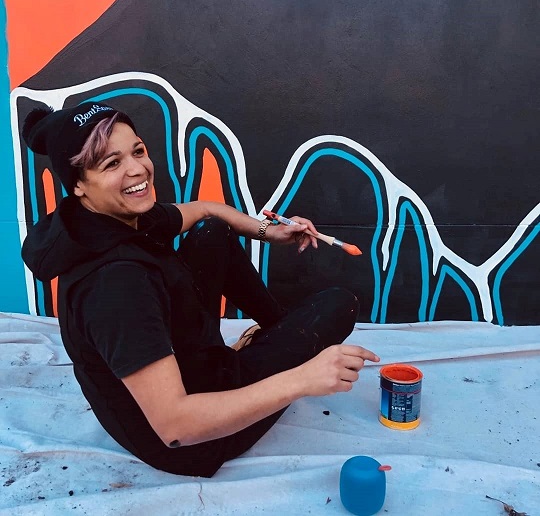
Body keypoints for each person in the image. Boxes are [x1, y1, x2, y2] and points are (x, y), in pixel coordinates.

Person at [21, 101, 379, 477]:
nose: (137, 169)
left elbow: (207, 210)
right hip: (195, 438)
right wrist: (302, 378)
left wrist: (268, 232)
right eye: (112, 163)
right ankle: (283, 348)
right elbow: (175, 429)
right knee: (340, 304)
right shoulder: (116, 285)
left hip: (188, 358)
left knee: (213, 234)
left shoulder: (103, 219)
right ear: (78, 183)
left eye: (138, 150)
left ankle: (277, 335)